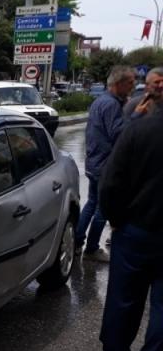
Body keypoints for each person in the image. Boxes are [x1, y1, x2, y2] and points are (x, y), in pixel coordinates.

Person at [98, 103, 163, 351]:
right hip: (140, 228)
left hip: (134, 229)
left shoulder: (139, 130)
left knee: (123, 296)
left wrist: (115, 218)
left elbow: (111, 181)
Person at [74, 66, 136, 262]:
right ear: (118, 84)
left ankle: (76, 242)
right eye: (130, 83)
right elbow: (118, 133)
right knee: (102, 208)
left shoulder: (100, 101)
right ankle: (91, 249)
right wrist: (133, 116)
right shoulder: (111, 105)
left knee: (91, 204)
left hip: (94, 162)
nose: (133, 87)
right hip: (104, 165)